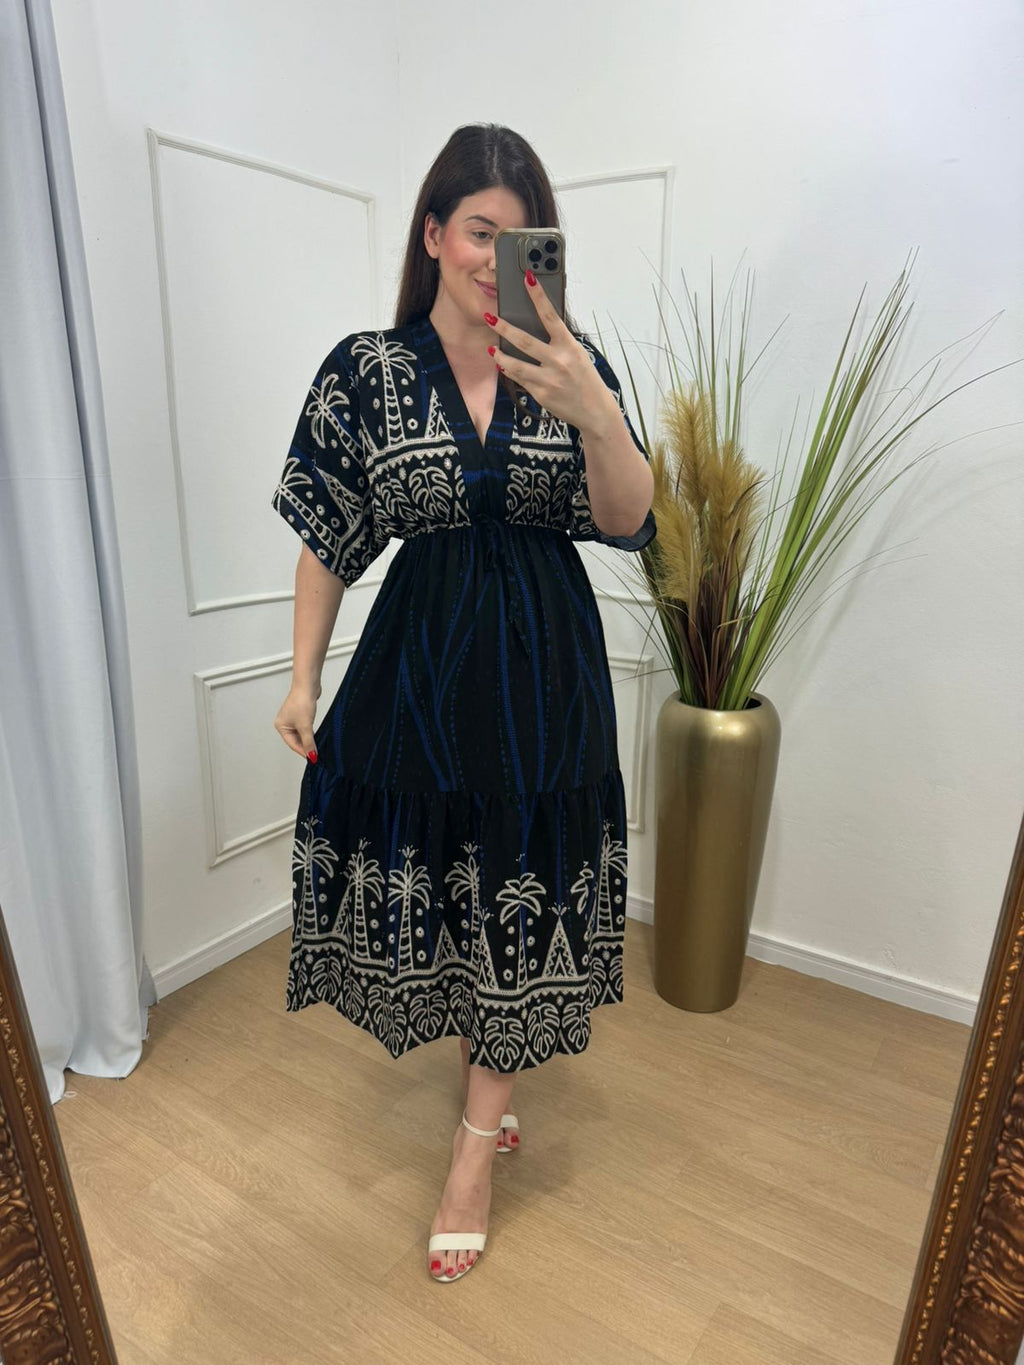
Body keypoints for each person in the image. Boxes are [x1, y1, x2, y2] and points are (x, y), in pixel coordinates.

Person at [270, 123, 656, 1283]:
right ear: (435, 235)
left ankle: (473, 1153)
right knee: (450, 879)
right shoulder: (365, 371)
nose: (497, 259)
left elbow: (629, 519)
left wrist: (595, 410)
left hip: (546, 676)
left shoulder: (574, 363)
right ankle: (489, 1075)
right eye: (480, 232)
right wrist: (302, 674)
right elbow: (327, 537)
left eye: (523, 239)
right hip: (420, 672)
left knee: (524, 879)